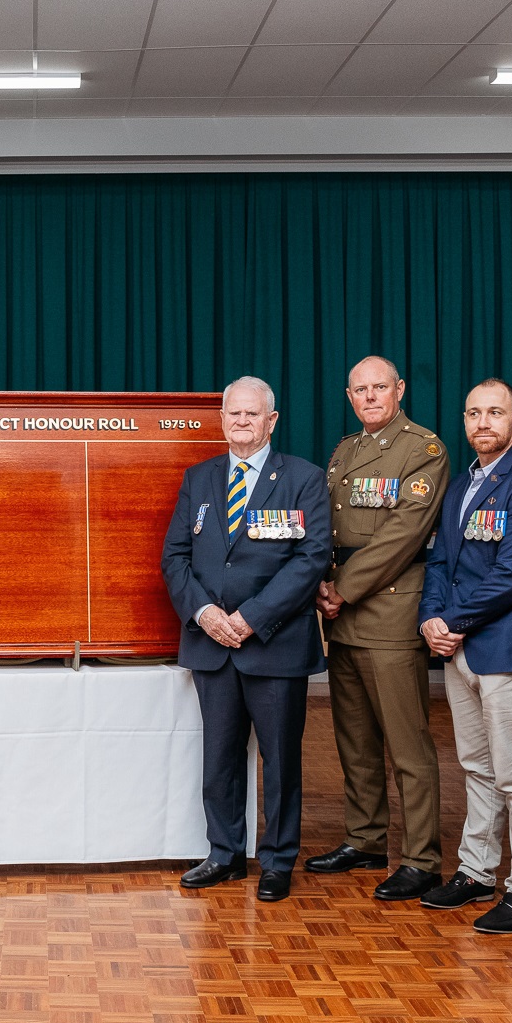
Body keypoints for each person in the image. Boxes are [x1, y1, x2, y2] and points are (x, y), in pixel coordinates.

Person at [161, 377, 331, 902]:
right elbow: (174, 558)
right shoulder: (199, 479)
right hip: (212, 644)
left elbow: (311, 559)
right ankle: (225, 853)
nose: (241, 422)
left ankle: (278, 859)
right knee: (220, 757)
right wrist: (206, 613)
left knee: (280, 761)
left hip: (273, 646)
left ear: (271, 421)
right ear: (221, 419)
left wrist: (253, 617)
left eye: (252, 415)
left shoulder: (303, 479)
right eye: (233, 414)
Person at [417, 379, 512, 933]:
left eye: (494, 413)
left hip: (504, 651)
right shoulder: (459, 486)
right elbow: (439, 565)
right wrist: (430, 620)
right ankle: (476, 871)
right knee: (476, 768)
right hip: (457, 651)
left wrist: (449, 623)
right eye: (474, 413)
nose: (482, 423)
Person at [308, 356, 449, 902]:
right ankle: (364, 839)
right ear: (350, 397)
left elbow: (403, 535)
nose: (370, 398)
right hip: (339, 613)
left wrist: (341, 588)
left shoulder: (423, 449)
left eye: (379, 388)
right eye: (360, 390)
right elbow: (326, 526)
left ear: (400, 390)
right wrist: (321, 582)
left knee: (407, 746)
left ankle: (421, 858)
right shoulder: (346, 450)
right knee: (356, 741)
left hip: (388, 612)